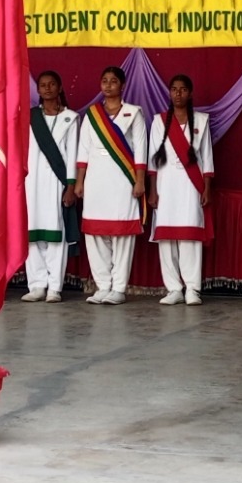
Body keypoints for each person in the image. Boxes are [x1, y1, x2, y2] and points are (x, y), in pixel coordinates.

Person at [75, 66, 147, 306]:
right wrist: (79, 181)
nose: (108, 85)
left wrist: (139, 180)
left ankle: (118, 288)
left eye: (113, 81)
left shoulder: (134, 113)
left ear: (123, 85)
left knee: (122, 235)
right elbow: (83, 150)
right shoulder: (92, 115)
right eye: (104, 80)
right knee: (95, 234)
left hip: (123, 180)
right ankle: (102, 285)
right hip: (95, 180)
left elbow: (141, 152)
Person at [148, 75, 214, 306]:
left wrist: (206, 188)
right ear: (169, 92)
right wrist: (153, 191)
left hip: (191, 186)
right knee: (167, 239)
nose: (178, 94)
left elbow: (207, 158)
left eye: (183, 89)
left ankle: (193, 289)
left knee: (190, 238)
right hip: (166, 186)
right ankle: (174, 288)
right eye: (174, 89)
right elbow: (152, 160)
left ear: (190, 93)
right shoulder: (159, 121)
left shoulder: (202, 121)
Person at [23, 70, 79, 303]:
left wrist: (70, 186)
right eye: (43, 85)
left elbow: (74, 153)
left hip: (57, 182)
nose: (46, 88)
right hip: (30, 183)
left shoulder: (71, 118)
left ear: (59, 87)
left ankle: (55, 286)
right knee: (32, 234)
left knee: (57, 234)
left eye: (51, 84)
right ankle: (36, 285)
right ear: (38, 90)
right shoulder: (29, 117)